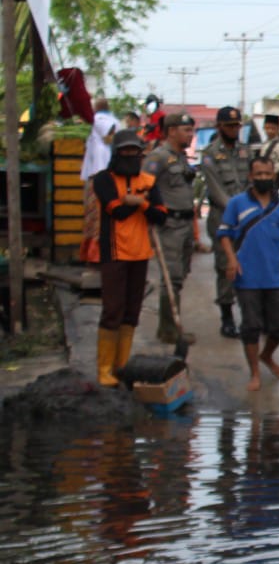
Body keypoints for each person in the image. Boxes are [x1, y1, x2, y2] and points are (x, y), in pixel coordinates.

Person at [87, 130, 168, 385]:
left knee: (132, 312)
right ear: (117, 152)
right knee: (112, 309)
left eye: (134, 150)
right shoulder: (103, 179)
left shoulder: (149, 180)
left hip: (140, 252)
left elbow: (161, 215)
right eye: (125, 150)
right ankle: (104, 369)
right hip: (114, 252)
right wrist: (140, 202)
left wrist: (140, 202)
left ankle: (122, 366)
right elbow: (116, 211)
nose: (130, 154)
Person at [218, 156, 279, 392]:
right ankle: (255, 372)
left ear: (274, 176)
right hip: (247, 277)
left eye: (268, 174)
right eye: (259, 174)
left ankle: (267, 355)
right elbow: (224, 234)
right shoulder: (237, 203)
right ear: (250, 177)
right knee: (251, 327)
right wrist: (232, 260)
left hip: (276, 277)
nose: (264, 178)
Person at [143, 112, 200, 345]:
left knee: (180, 275)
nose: (190, 135)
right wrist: (151, 219)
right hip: (169, 225)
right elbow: (142, 188)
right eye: (186, 130)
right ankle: (169, 330)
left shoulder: (180, 158)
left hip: (185, 224)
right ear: (172, 130)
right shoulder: (158, 158)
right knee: (171, 278)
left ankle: (170, 326)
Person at [201, 106, 253, 338]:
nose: (234, 130)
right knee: (226, 268)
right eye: (229, 126)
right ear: (219, 126)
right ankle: (227, 317)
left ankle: (250, 315)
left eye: (237, 126)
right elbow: (216, 190)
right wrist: (237, 211)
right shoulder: (210, 154)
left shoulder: (245, 151)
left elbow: (252, 181)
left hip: (248, 220)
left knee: (249, 266)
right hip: (223, 219)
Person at [81, 97, 118, 183]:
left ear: (97, 107)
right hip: (106, 152)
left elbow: (109, 129)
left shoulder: (99, 118)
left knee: (97, 179)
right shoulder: (113, 118)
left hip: (100, 154)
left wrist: (110, 136)